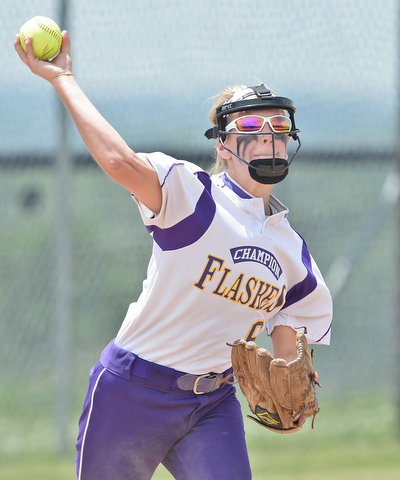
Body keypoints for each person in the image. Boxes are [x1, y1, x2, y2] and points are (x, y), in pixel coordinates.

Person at [15, 30, 333, 480]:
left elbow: (288, 331)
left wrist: (286, 383)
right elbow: (119, 163)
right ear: (222, 145)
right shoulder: (193, 195)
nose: (267, 137)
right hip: (131, 390)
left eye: (278, 127)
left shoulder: (293, 254)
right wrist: (62, 77)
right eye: (248, 126)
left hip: (211, 403)